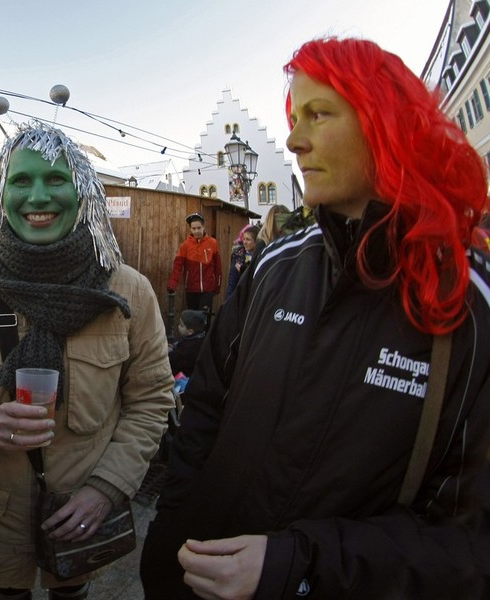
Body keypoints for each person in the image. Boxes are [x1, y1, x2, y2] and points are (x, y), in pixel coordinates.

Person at [140, 37, 490, 599]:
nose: (294, 140)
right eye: (293, 118)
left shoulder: (471, 307)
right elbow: (206, 403)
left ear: (386, 125)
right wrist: (172, 527)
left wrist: (301, 567)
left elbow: (469, 540)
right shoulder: (276, 265)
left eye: (319, 114)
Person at [0, 121, 175, 600]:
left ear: (82, 193)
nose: (38, 196)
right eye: (21, 180)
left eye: (56, 179)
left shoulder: (128, 291)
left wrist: (108, 487)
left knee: (71, 591)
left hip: (85, 506)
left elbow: (152, 399)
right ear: (2, 194)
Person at [167, 213, 222, 315]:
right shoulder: (185, 246)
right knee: (192, 318)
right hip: (191, 289)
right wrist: (172, 284)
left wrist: (217, 285)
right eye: (194, 228)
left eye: (199, 228)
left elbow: (218, 267)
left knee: (204, 317)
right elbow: (177, 266)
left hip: (208, 289)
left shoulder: (213, 243)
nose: (196, 231)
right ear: (190, 229)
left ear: (203, 227)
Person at [168, 309, 206, 378]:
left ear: (190, 331)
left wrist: (169, 352)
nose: (178, 326)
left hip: (184, 376)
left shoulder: (190, 347)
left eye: (181, 325)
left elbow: (176, 359)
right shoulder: (195, 338)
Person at [224, 224, 258, 299]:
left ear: (256, 241)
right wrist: (228, 300)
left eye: (248, 239)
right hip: (240, 295)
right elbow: (232, 281)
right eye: (243, 239)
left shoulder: (261, 256)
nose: (244, 242)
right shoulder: (238, 255)